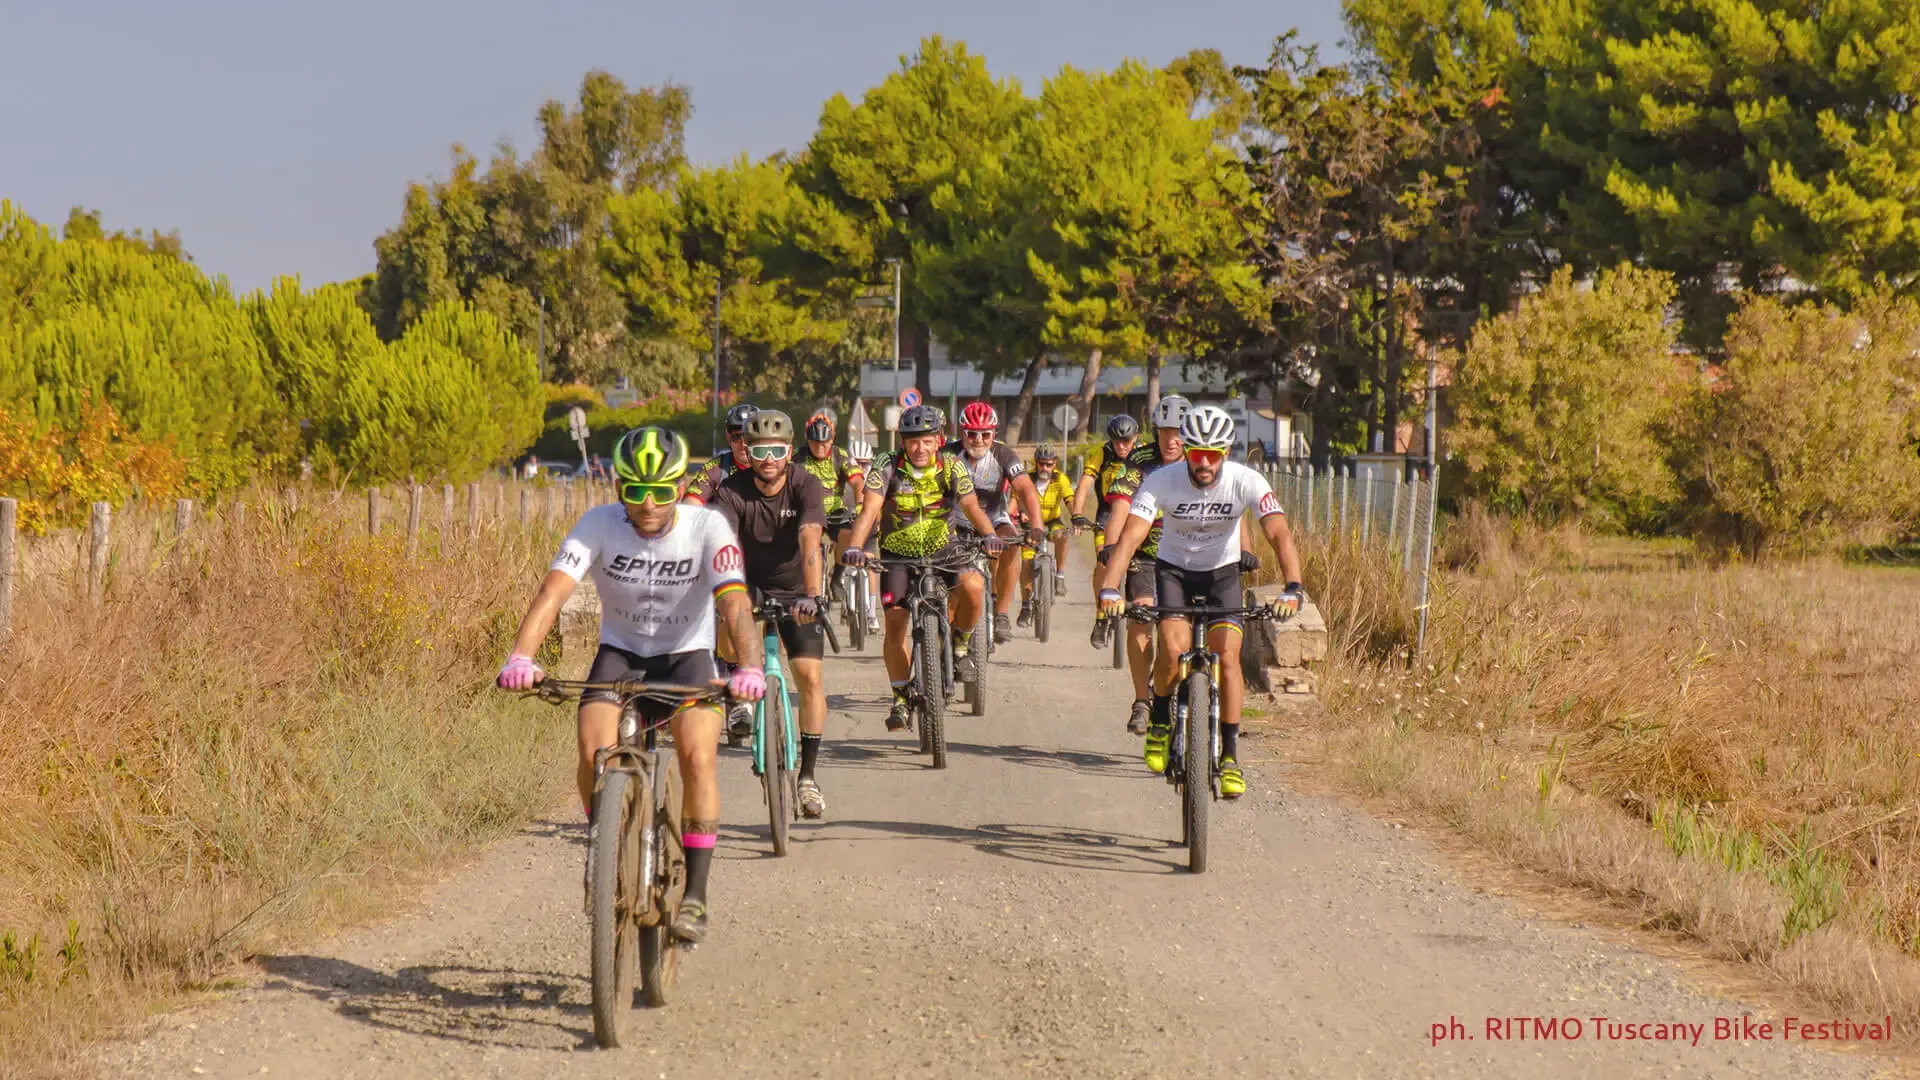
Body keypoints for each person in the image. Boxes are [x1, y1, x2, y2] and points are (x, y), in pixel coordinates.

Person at [496, 426, 762, 944]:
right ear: (618, 488)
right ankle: (605, 838)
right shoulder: (597, 524)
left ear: (679, 487)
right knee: (593, 750)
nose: (647, 505)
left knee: (697, 757)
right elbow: (553, 592)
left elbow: (733, 604)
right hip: (620, 654)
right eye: (634, 491)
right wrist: (522, 656)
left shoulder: (707, 527)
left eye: (661, 492)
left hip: (688, 656)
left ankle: (696, 896)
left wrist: (748, 667)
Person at [1096, 406, 1304, 799]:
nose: (1204, 463)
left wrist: (1293, 587)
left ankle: (1229, 756)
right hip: (1173, 571)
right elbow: (1131, 538)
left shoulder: (1247, 480)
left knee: (1228, 657)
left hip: (1222, 574)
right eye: (1197, 453)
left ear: (1226, 451)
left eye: (1214, 454)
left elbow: (1279, 534)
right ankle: (1159, 718)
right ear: (1187, 450)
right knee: (1173, 652)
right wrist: (1109, 588)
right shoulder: (1161, 480)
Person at [842, 404, 1005, 732]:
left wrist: (989, 533)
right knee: (896, 623)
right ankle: (901, 696)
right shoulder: (886, 465)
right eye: (913, 440)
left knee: (974, 587)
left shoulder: (952, 465)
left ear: (939, 440)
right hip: (897, 554)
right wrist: (856, 547)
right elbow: (871, 507)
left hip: (945, 549)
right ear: (903, 441)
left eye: (928, 440)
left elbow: (970, 505)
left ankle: (960, 645)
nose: (920, 448)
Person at [708, 410, 833, 819]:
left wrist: (813, 595)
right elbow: (722, 539)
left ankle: (808, 778)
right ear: (746, 448)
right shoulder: (731, 490)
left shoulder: (806, 484)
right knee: (730, 608)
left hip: (798, 587)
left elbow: (809, 537)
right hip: (746, 582)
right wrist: (723, 590)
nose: (768, 459)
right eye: (759, 450)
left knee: (810, 678)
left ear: (789, 450)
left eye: (777, 451)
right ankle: (739, 694)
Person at [1100, 395, 1190, 732]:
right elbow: (1121, 505)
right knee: (1140, 618)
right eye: (1164, 431)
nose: (1171, 439)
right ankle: (1141, 700)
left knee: (1179, 636)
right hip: (1146, 557)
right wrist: (1111, 545)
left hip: (1188, 558)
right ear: (1155, 432)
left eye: (1178, 431)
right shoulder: (1140, 460)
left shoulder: (1201, 460)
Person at [945, 401, 1044, 644]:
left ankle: (1001, 614)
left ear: (994, 435)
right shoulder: (947, 455)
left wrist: (1038, 525)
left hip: (995, 519)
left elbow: (1026, 489)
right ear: (962, 433)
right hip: (956, 521)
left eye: (985, 434)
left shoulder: (1004, 454)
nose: (978, 440)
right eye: (972, 434)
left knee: (1013, 544)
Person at [1072, 415, 1152, 645]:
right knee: (1103, 563)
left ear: (1135, 438)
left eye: (1127, 441)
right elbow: (1085, 484)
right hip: (1107, 515)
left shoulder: (1144, 454)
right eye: (1117, 441)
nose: (1122, 446)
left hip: (1138, 515)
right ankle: (1101, 617)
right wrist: (1077, 514)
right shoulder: (1102, 453)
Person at [800, 412, 877, 634]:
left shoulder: (840, 456)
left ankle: (839, 574)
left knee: (846, 536)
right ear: (809, 441)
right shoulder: (799, 458)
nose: (820, 448)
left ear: (831, 440)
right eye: (815, 444)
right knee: (810, 542)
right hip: (810, 511)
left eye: (824, 443)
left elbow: (857, 481)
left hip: (835, 511)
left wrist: (861, 501)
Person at [1015, 443, 1073, 627]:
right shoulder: (1027, 479)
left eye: (1049, 464)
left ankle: (1060, 576)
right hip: (1031, 524)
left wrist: (1077, 517)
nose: (1045, 468)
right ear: (1036, 463)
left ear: (1054, 464)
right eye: (1041, 464)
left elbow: (1069, 500)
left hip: (1052, 521)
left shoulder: (1060, 479)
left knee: (1063, 535)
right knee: (1026, 563)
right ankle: (1025, 606)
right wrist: (1020, 513)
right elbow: (1016, 499)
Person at [682, 402, 760, 507]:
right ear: (728, 437)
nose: (743, 443)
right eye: (737, 437)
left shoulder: (773, 466)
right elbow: (690, 506)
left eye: (748, 437)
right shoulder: (713, 469)